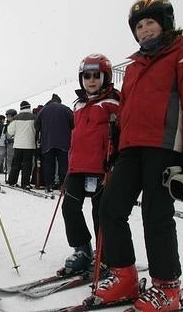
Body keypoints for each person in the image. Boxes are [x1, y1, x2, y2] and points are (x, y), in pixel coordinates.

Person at [94, 0, 183, 311]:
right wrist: (116, 147)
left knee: (155, 216)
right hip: (131, 150)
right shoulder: (132, 69)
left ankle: (167, 287)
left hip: (164, 149)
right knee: (110, 208)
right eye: (139, 26)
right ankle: (124, 277)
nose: (144, 31)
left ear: (165, 24)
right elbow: (127, 111)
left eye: (150, 23)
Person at [58, 54, 120, 276]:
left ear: (106, 77)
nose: (91, 80)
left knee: (100, 213)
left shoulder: (113, 103)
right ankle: (83, 250)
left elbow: (121, 133)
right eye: (87, 76)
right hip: (78, 167)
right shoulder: (78, 105)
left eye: (96, 76)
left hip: (101, 168)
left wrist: (115, 159)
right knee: (69, 208)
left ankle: (105, 256)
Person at [35, 93, 74, 192]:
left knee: (48, 164)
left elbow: (36, 125)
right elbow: (74, 124)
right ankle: (63, 186)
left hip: (47, 142)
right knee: (63, 164)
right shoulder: (66, 109)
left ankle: (49, 185)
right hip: (64, 142)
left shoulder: (44, 110)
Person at [7, 101, 36, 189]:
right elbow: (37, 129)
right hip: (29, 145)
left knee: (16, 163)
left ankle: (12, 181)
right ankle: (25, 183)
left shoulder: (16, 118)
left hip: (18, 144)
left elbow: (10, 131)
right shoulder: (34, 117)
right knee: (27, 165)